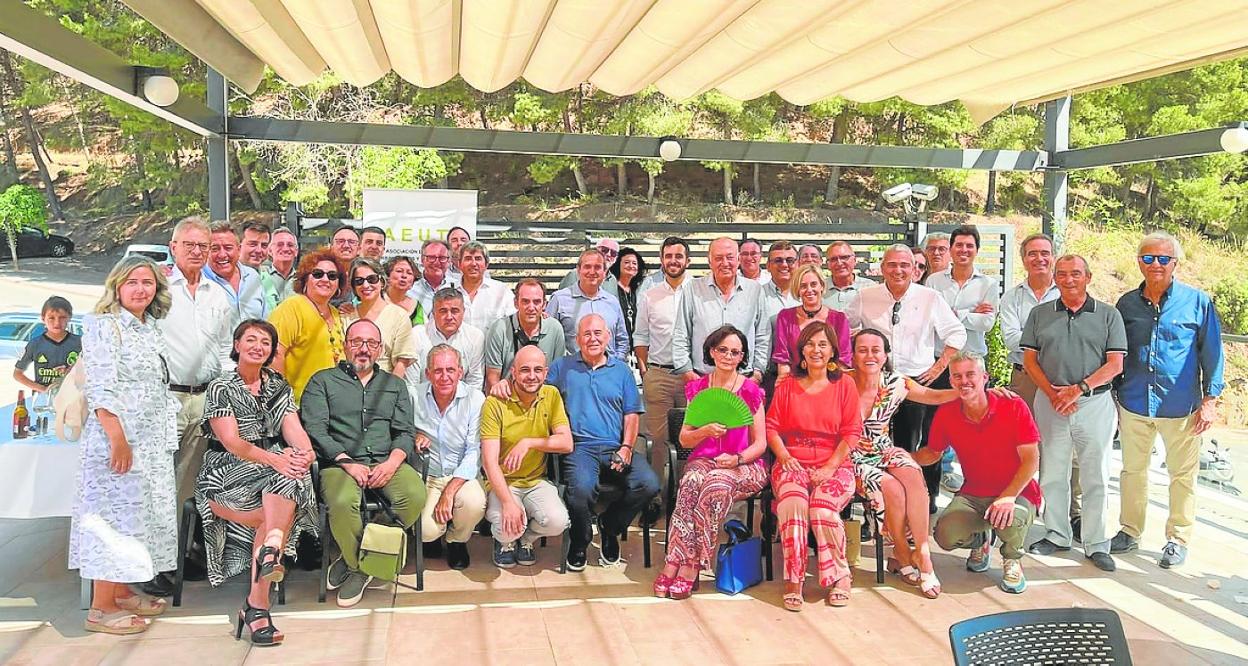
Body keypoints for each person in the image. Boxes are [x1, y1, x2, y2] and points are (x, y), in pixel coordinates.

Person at [847, 329, 1016, 597]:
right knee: (891, 487)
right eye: (862, 349)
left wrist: (980, 389)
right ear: (853, 354)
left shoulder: (896, 382)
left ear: (886, 354)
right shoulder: (841, 382)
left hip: (882, 448)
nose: (869, 355)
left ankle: (922, 553)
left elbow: (933, 396)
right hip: (849, 454)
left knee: (913, 472)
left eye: (875, 350)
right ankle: (902, 551)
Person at [70, 256, 179, 635]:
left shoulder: (148, 328)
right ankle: (100, 608)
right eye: (132, 282)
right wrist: (117, 438)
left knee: (138, 519)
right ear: (117, 286)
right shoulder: (104, 326)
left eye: (147, 282)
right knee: (113, 522)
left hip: (148, 442)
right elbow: (101, 386)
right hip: (118, 440)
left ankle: (118, 592)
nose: (140, 289)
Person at [197, 320, 317, 646]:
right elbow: (233, 442)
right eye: (251, 340)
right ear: (237, 345)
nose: (258, 347)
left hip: (270, 475)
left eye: (265, 342)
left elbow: (293, 429)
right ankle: (269, 563)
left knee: (290, 475)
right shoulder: (221, 386)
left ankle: (262, 586)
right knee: (280, 495)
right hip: (226, 472)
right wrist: (278, 459)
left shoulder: (277, 384)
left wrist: (305, 453)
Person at [1111, 231, 1224, 568]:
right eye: (1148, 258)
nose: (1155, 264)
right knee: (1132, 471)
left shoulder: (1197, 302)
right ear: (1139, 262)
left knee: (1182, 475)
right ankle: (1130, 531)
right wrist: (1114, 395)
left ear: (1175, 263)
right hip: (1133, 402)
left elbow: (1213, 353)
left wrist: (1211, 399)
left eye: (1163, 258)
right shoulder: (1126, 304)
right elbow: (1117, 350)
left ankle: (1177, 538)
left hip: (1181, 406)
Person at [303, 319, 425, 608]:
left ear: (380, 349)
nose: (363, 349)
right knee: (343, 501)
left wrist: (393, 463)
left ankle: (359, 559)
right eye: (356, 342)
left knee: (415, 496)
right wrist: (347, 462)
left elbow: (405, 431)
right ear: (345, 346)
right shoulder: (322, 381)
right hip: (340, 464)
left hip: (386, 459)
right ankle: (361, 568)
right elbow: (316, 430)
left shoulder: (394, 385)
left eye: (371, 343)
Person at [1021, 254, 1125, 572]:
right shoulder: (1040, 314)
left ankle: (1095, 543)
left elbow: (1115, 364)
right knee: (1052, 472)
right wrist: (1054, 394)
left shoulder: (1108, 315)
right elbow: (1030, 361)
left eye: (1075, 273)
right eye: (1062, 274)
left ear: (1088, 277)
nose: (1068, 279)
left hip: (1094, 403)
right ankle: (1057, 534)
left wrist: (1078, 389)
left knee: (1096, 475)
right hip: (1050, 401)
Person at [845, 244, 965, 510]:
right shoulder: (866, 296)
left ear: (914, 269)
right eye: (892, 265)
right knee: (873, 447)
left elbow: (956, 333)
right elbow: (847, 330)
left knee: (913, 445)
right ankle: (875, 506)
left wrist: (939, 366)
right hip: (877, 384)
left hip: (915, 381)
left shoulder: (929, 297)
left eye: (904, 265)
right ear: (882, 268)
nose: (898, 270)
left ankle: (920, 502)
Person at [656, 325, 769, 600]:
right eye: (723, 350)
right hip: (704, 460)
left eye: (735, 352)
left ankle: (690, 566)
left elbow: (760, 443)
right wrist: (705, 431)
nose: (728, 356)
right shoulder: (698, 388)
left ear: (742, 357)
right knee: (690, 483)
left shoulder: (751, 391)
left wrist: (737, 459)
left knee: (714, 486)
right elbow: (684, 439)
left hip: (744, 464)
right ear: (711, 351)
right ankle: (674, 559)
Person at [915, 352, 1042, 595]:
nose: (964, 381)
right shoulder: (948, 412)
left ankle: (1012, 559)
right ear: (951, 382)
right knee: (945, 535)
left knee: (1009, 518)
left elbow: (1031, 459)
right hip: (974, 493)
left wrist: (1007, 497)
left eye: (970, 374)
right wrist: (898, 457)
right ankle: (982, 541)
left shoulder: (1013, 405)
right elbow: (932, 453)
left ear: (985, 377)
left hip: (1017, 492)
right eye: (957, 376)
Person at [157, 216, 235, 595]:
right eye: (189, 245)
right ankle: (153, 562)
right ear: (173, 247)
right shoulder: (157, 289)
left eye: (203, 246)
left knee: (188, 484)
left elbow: (224, 349)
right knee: (159, 482)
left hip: (204, 398)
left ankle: (175, 555)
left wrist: (225, 394)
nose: (197, 252)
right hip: (165, 398)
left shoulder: (217, 295)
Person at [548, 315, 660, 570]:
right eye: (586, 334)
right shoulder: (562, 367)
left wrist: (627, 448)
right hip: (579, 449)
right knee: (581, 491)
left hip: (615, 446)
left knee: (649, 483)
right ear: (577, 340)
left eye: (598, 333)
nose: (593, 338)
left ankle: (610, 527)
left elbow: (631, 414)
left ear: (608, 337)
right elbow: (536, 394)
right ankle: (580, 540)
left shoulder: (621, 370)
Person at [766, 322, 861, 611]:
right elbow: (771, 427)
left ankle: (839, 576)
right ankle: (794, 578)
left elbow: (852, 433)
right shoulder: (787, 386)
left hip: (834, 463)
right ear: (801, 351)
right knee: (792, 504)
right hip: (791, 461)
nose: (816, 350)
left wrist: (831, 467)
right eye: (810, 344)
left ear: (832, 350)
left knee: (821, 508)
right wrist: (783, 457)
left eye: (823, 344)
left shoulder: (845, 384)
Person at [999, 233, 1078, 534]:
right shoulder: (1013, 297)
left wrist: (1033, 340)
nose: (1039, 259)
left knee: (1064, 442)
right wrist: (1051, 340)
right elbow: (1010, 339)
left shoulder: (1068, 292)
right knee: (1019, 442)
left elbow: (1075, 337)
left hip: (1063, 377)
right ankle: (1019, 504)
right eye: (1032, 253)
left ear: (1053, 256)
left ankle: (1072, 512)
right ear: (1023, 259)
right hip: (1024, 379)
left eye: (1044, 253)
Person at [481, 345, 573, 568]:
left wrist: (529, 442)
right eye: (525, 370)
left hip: (536, 481)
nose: (531, 376)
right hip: (503, 482)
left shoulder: (551, 395)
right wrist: (507, 502)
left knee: (558, 521)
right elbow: (489, 461)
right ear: (513, 371)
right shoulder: (495, 403)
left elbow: (566, 442)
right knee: (507, 525)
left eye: (537, 370)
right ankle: (504, 542)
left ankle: (526, 539)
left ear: (545, 372)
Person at [410, 344, 487, 571]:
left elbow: (474, 451)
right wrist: (414, 435)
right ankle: (435, 535)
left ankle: (456, 541)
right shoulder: (413, 395)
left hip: (462, 474)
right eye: (438, 371)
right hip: (428, 475)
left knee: (474, 503)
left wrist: (450, 492)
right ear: (428, 373)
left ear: (460, 372)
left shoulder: (475, 399)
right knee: (424, 531)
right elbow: (399, 430)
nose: (445, 377)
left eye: (450, 370)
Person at [634, 237, 692, 483]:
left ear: (688, 261)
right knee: (657, 440)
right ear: (661, 260)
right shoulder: (650, 296)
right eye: (668, 256)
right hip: (659, 375)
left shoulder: (699, 291)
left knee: (692, 440)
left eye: (678, 256)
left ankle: (685, 494)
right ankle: (655, 495)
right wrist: (646, 371)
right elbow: (641, 336)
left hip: (692, 376)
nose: (673, 261)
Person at [673, 237, 769, 384]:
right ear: (709, 261)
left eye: (730, 257)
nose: (725, 263)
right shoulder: (693, 289)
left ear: (738, 260)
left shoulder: (755, 290)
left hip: (744, 380)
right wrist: (687, 371)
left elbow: (763, 335)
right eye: (718, 258)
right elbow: (681, 333)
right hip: (702, 379)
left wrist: (757, 373)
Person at [268, 249, 347, 404]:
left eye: (332, 276)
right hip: (299, 405)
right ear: (305, 279)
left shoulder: (336, 313)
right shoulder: (292, 307)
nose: (325, 279)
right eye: (318, 274)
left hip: (333, 405)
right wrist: (283, 403)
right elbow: (274, 356)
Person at [925, 225, 1000, 358]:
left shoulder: (988, 284)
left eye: (969, 246)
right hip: (939, 359)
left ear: (977, 250)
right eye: (959, 245)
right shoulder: (934, 281)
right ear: (951, 249)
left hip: (973, 359)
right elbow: (931, 320)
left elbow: (987, 323)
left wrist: (955, 314)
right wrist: (972, 313)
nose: (964, 250)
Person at [484, 278, 565, 394]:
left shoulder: (555, 329)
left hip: (542, 398)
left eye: (536, 302)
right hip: (508, 397)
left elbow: (557, 375)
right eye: (525, 301)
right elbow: (492, 377)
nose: (531, 308)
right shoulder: (499, 329)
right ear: (516, 303)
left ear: (544, 304)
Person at [546, 249, 630, 360]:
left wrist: (616, 365)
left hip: (608, 373)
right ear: (578, 270)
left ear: (604, 272)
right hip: (572, 372)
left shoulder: (612, 302)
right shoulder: (559, 300)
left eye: (597, 267)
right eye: (587, 267)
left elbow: (622, 340)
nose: (592, 272)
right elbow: (548, 338)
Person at [772, 264, 851, 380]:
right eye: (803, 286)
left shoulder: (839, 319)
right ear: (798, 290)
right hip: (795, 382)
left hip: (830, 382)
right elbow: (782, 359)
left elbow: (843, 359)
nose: (809, 290)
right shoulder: (785, 317)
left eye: (813, 284)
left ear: (822, 287)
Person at [345, 258, 416, 377]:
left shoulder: (399, 316)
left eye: (372, 279)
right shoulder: (346, 315)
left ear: (382, 282)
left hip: (384, 385)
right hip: (347, 384)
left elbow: (402, 361)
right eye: (359, 281)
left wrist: (389, 392)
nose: (366, 285)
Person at [410, 287, 485, 391]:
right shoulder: (417, 335)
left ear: (463, 312)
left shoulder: (475, 337)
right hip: (422, 400)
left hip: (462, 402)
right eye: (443, 311)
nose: (449, 317)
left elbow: (475, 382)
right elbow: (412, 384)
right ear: (433, 313)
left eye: (455, 311)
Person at [13, 296, 81, 393]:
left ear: (69, 317)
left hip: (72, 396)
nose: (57, 322)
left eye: (62, 317)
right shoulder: (35, 344)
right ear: (43, 318)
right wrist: (43, 389)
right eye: (51, 318)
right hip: (43, 398)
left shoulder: (80, 343)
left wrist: (69, 371)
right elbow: (17, 374)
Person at [204, 222, 268, 320]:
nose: (222, 254)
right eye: (215, 249)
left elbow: (264, 321)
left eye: (228, 248)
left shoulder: (252, 277)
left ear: (238, 250)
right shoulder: (199, 281)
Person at [453, 241, 516, 332]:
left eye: (478, 258)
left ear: (486, 264)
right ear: (459, 264)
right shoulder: (448, 291)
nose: (473, 263)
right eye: (468, 259)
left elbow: (516, 321)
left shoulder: (502, 291)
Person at [409, 239, 455, 322]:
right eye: (431, 257)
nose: (437, 262)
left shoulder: (458, 287)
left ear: (449, 261)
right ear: (422, 260)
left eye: (442, 258)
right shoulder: (410, 290)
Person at [610, 246, 647, 345]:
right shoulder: (611, 288)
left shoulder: (637, 290)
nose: (631, 266)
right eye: (626, 262)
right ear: (618, 265)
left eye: (634, 263)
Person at [823, 241, 874, 313]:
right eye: (834, 259)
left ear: (855, 260)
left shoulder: (869, 287)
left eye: (844, 257)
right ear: (828, 264)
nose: (839, 263)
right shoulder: (819, 288)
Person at [261, 227, 299, 311]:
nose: (285, 249)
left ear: (296, 251)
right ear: (270, 251)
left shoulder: (303, 280)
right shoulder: (260, 277)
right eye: (280, 245)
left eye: (290, 245)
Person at [383, 255, 421, 324]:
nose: (404, 276)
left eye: (409, 273)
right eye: (399, 271)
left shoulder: (417, 307)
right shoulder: (376, 300)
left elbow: (420, 330)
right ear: (387, 276)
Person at [329, 226, 361, 306]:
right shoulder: (320, 274)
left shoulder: (365, 276)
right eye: (340, 241)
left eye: (351, 242)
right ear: (331, 247)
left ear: (359, 249)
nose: (346, 245)